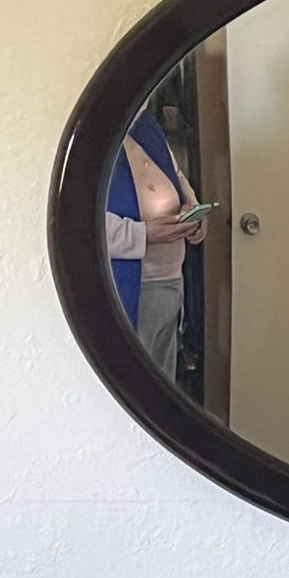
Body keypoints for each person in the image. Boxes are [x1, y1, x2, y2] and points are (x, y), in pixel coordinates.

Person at [103, 109, 203, 377]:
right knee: (135, 382)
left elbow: (175, 174)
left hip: (171, 280)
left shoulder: (145, 125)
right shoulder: (97, 138)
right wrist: (143, 234)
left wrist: (192, 207)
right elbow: (81, 223)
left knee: (164, 378)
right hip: (134, 286)